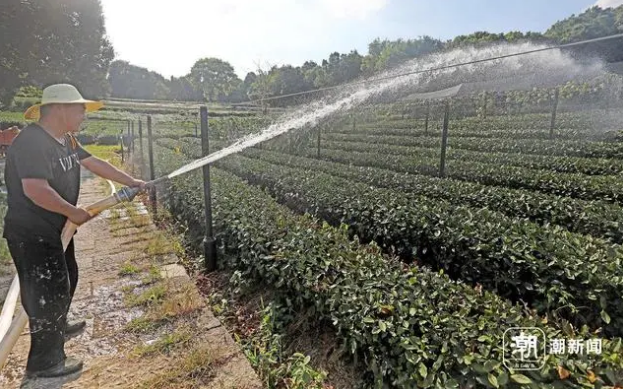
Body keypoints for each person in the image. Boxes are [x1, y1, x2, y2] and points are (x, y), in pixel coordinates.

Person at [2, 84, 146, 378]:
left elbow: (94, 162)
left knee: (68, 277)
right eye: (79, 108)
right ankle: (44, 363)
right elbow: (35, 189)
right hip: (33, 233)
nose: (84, 114)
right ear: (59, 109)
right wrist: (74, 212)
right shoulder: (32, 142)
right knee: (47, 292)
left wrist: (131, 181)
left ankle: (57, 325)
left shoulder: (64, 139)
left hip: (56, 229)